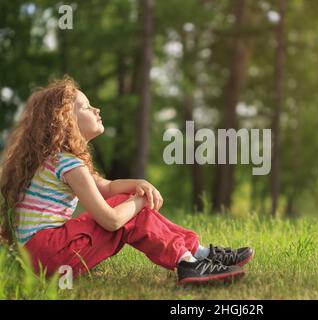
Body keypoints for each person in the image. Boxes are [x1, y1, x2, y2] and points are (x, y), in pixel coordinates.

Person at [0, 77, 254, 285]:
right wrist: (138, 203)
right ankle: (190, 262)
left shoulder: (54, 160)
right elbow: (110, 221)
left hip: (38, 258)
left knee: (125, 202)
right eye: (87, 107)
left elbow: (107, 187)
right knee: (128, 211)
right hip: (50, 254)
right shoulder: (68, 164)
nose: (96, 110)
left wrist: (138, 184)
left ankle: (197, 254)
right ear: (65, 120)